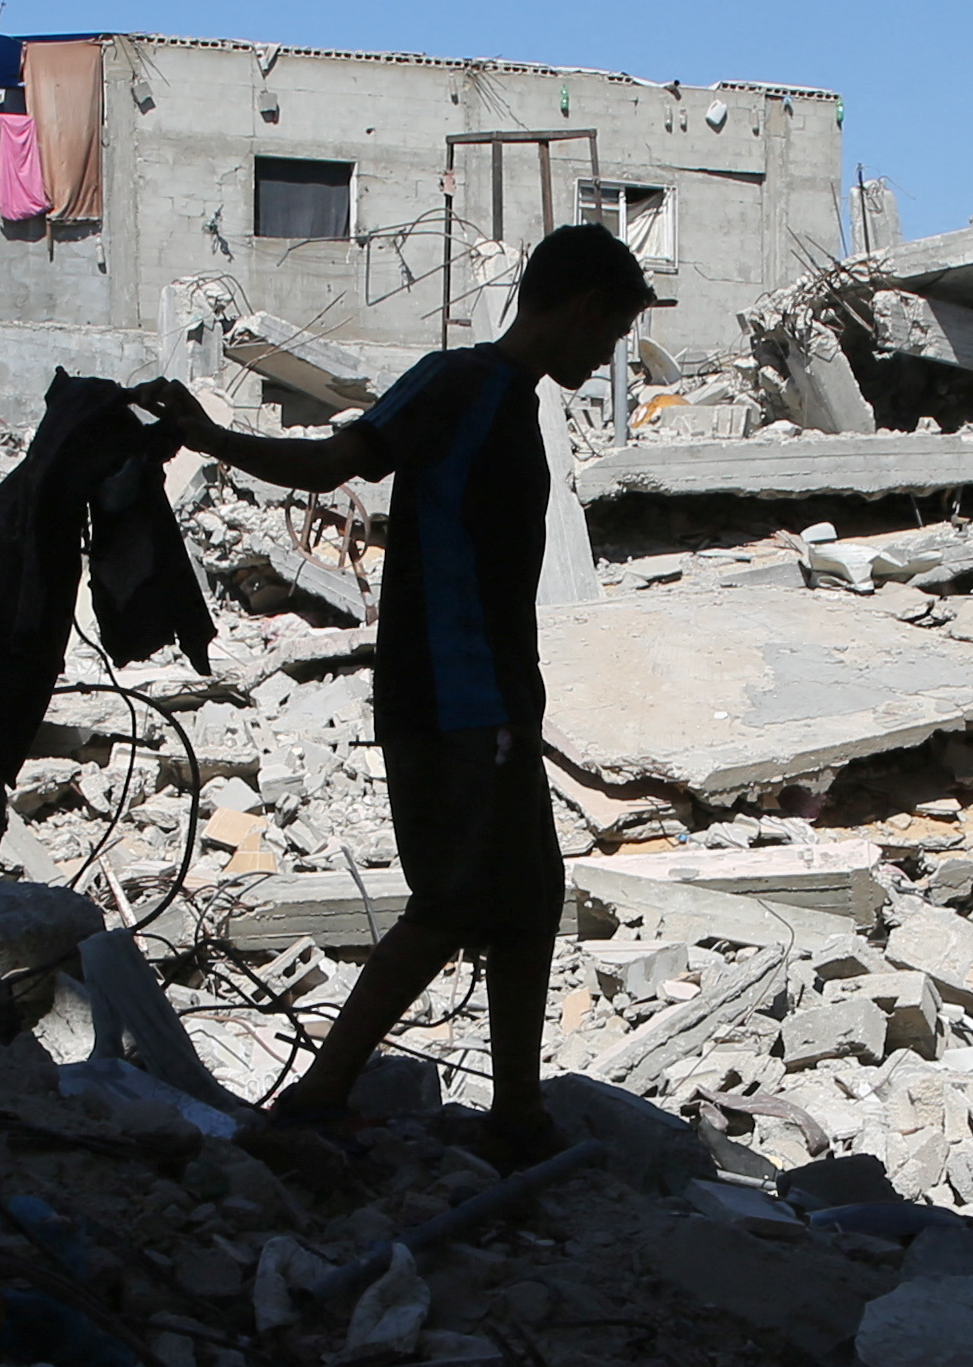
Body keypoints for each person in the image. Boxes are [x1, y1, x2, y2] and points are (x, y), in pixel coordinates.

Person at [151, 222, 664, 1152]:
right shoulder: (458, 382)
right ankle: (320, 1096)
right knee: (456, 900)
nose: (609, 351)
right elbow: (330, 462)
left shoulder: (509, 400)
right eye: (613, 331)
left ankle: (515, 1113)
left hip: (493, 698)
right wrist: (206, 434)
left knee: (530, 894)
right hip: (452, 698)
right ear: (584, 309)